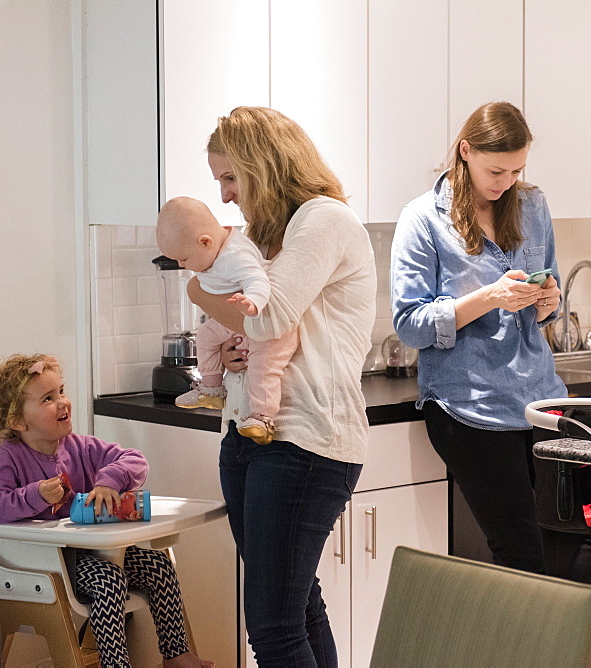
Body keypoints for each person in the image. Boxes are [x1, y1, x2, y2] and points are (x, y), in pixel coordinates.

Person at [188, 106, 375, 667]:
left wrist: (201, 298)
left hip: (308, 440)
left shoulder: (324, 221)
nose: (223, 196)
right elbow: (250, 323)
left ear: (262, 166)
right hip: (254, 435)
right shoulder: (269, 234)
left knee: (272, 628)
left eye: (229, 177)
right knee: (295, 610)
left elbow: (267, 320)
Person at [390, 101, 567, 575]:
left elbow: (551, 299)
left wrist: (549, 302)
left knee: (584, 542)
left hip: (542, 401)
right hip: (470, 408)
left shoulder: (532, 205)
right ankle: (531, 649)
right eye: (496, 169)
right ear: (465, 151)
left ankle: (562, 646)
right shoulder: (423, 219)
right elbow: (409, 323)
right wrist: (488, 298)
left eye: (516, 170)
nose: (505, 181)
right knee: (523, 553)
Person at [0, 353, 214, 668]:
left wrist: (109, 483)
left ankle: (176, 654)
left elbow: (134, 459)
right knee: (109, 580)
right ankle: (116, 664)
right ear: (18, 421)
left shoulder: (80, 447)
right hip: (45, 562)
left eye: (61, 391)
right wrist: (35, 495)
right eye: (48, 398)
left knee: (159, 567)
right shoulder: (10, 457)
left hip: (93, 553)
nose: (63, 402)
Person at [156, 195, 300, 445]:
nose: (182, 265)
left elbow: (257, 280)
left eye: (184, 259)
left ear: (205, 242)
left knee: (263, 366)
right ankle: (212, 389)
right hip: (241, 320)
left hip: (261, 320)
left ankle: (262, 417)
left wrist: (252, 301)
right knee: (206, 334)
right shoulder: (215, 252)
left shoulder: (235, 256)